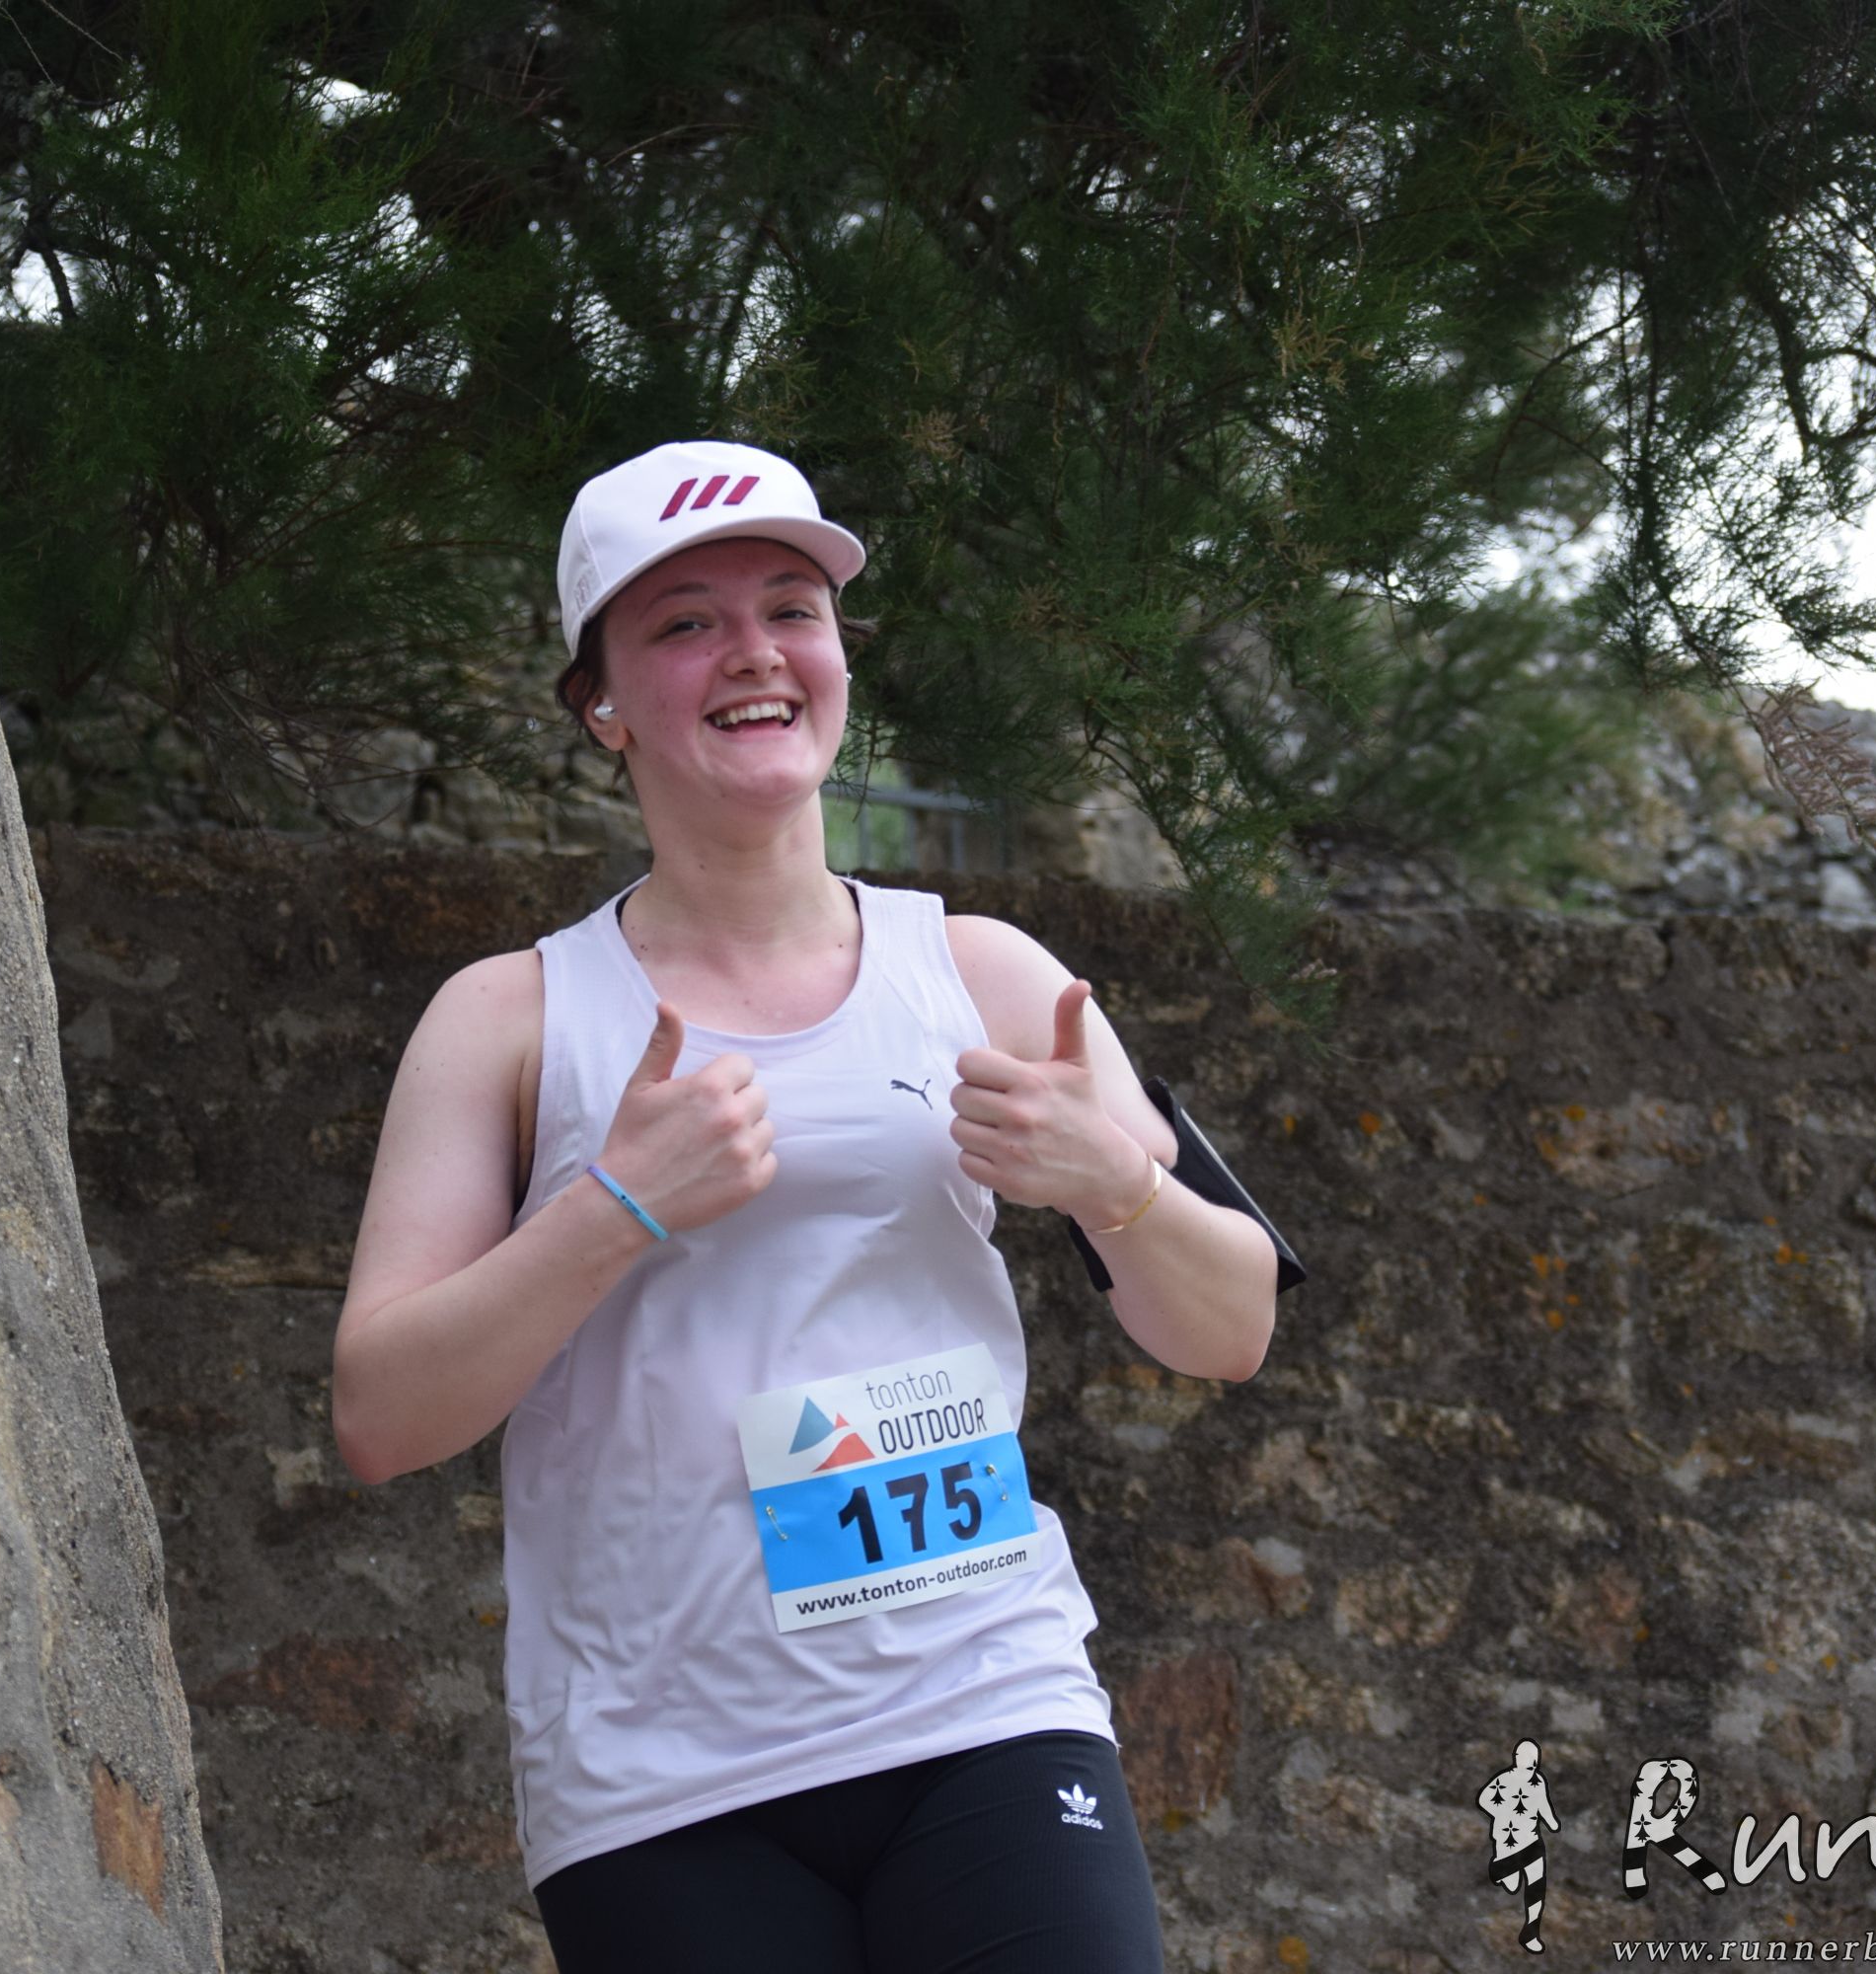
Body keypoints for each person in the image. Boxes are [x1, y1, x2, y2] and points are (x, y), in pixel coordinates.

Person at [332, 438, 1306, 1973]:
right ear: (601, 703)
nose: (755, 652)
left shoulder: (989, 975)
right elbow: (380, 1417)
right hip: (662, 1781)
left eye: (792, 609)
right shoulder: (508, 1018)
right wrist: (611, 1209)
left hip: (987, 1706)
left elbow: (1232, 1324)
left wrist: (1119, 1185)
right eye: (685, 623)